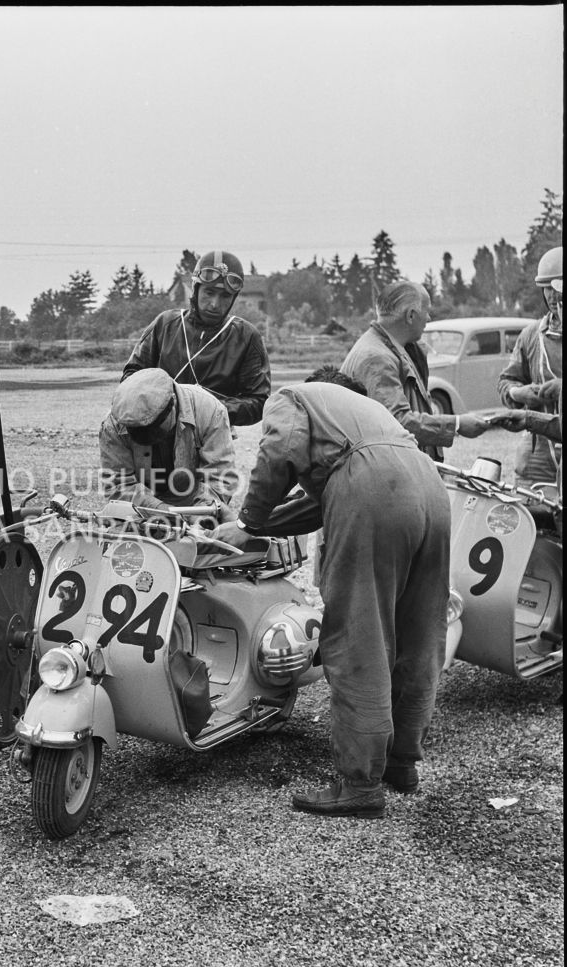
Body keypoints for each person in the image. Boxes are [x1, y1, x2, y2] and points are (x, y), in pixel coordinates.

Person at [212, 366, 451, 818]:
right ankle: (400, 763)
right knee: (420, 631)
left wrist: (246, 521)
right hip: (430, 488)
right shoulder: (368, 417)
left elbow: (278, 451)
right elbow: (316, 504)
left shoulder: (293, 396)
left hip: (376, 491)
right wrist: (254, 528)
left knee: (358, 634)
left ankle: (360, 783)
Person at [340, 280, 489, 460]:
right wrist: (457, 424)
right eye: (427, 311)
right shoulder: (377, 358)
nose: (429, 318)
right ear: (411, 315)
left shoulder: (395, 348)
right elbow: (397, 422)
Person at [121, 250, 271, 425]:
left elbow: (259, 401)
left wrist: (208, 409)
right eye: (209, 292)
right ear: (196, 289)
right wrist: (163, 403)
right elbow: (130, 378)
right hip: (157, 431)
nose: (215, 304)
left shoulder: (246, 336)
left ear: (234, 298)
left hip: (212, 437)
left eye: (225, 296)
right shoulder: (165, 324)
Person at [99, 367, 240, 522]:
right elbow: (119, 485)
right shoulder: (114, 424)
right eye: (136, 431)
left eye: (153, 428)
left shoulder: (210, 410)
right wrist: (162, 513)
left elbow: (220, 477)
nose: (147, 437)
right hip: (140, 509)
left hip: (196, 503)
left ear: (172, 404)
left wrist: (202, 513)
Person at [497, 246, 563, 485]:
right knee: (530, 512)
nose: (554, 296)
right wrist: (518, 392)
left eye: (558, 287)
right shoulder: (531, 335)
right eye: (548, 289)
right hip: (539, 452)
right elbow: (505, 381)